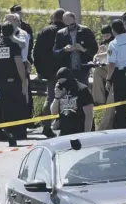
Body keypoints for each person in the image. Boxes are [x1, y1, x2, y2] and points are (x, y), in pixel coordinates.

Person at [0, 22, 27, 147]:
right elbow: (19, 65)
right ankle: (14, 134)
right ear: (13, 33)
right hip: (13, 83)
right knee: (16, 109)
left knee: (5, 109)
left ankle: (8, 131)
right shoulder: (14, 46)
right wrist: (24, 81)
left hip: (0, 84)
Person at [33, 8, 66, 137]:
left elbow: (36, 52)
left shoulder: (45, 31)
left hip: (50, 72)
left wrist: (40, 70)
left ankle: (46, 126)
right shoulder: (66, 31)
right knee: (67, 98)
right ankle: (64, 125)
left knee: (51, 98)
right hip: (65, 70)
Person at [53, 12, 98, 84]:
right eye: (67, 25)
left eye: (72, 24)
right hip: (67, 69)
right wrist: (64, 50)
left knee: (83, 91)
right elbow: (55, 53)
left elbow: (95, 49)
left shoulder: (86, 31)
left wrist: (83, 50)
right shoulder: (61, 34)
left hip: (83, 69)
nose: (70, 27)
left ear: (75, 20)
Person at [50, 67, 94, 136]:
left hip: (79, 132)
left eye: (64, 82)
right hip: (64, 133)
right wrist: (56, 97)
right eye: (60, 83)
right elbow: (53, 112)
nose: (63, 85)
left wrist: (86, 135)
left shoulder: (82, 90)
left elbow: (89, 116)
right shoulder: (60, 90)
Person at [93, 25, 117, 131]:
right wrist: (97, 59)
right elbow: (97, 57)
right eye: (104, 35)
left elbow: (110, 57)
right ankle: (99, 99)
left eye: (108, 34)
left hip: (116, 72)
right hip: (106, 69)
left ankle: (103, 128)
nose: (106, 37)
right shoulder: (103, 45)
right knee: (97, 71)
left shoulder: (115, 43)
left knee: (110, 106)